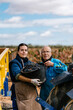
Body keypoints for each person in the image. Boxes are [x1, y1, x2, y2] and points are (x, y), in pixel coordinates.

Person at [9, 43, 42, 110]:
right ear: (18, 52)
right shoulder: (14, 63)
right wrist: (31, 81)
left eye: (25, 50)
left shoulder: (29, 63)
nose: (24, 52)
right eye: (22, 50)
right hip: (18, 93)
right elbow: (17, 76)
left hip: (30, 92)